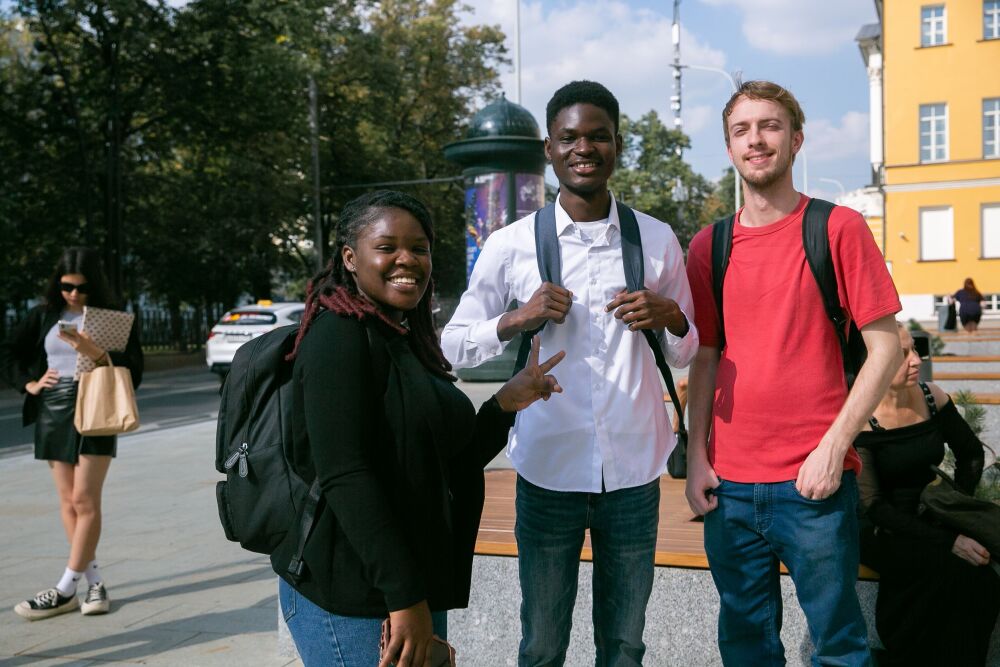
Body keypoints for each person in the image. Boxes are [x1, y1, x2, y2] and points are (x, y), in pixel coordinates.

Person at [442, 80, 698, 666]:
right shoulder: (510, 246)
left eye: (598, 136)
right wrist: (516, 318)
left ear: (617, 145)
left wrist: (672, 316)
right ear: (549, 149)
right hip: (547, 472)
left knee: (626, 644)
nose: (585, 147)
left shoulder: (655, 239)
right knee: (541, 645)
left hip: (633, 477)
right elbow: (453, 347)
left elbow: (688, 354)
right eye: (570, 137)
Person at [276, 190, 565, 667]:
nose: (406, 260)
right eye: (387, 247)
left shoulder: (402, 337)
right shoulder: (337, 339)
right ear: (350, 258)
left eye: (420, 248)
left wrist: (506, 403)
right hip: (356, 593)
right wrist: (404, 597)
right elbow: (346, 475)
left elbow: (447, 459)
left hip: (407, 584)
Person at [684, 80, 903, 666]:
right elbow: (706, 355)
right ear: (730, 148)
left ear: (796, 139)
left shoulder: (837, 228)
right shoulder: (710, 245)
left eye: (770, 126)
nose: (756, 140)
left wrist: (835, 448)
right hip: (727, 488)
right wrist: (697, 456)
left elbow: (886, 348)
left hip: (816, 485)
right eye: (741, 130)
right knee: (746, 648)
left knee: (839, 647)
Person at [2, 247, 143, 619]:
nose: (74, 295)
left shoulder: (112, 320)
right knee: (67, 501)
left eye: (81, 288)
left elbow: (136, 370)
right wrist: (29, 384)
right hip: (54, 407)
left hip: (97, 405)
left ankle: (65, 588)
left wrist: (94, 351)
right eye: (67, 286)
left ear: (93, 286)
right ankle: (94, 582)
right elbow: (8, 352)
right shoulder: (44, 315)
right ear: (58, 283)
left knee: (85, 498)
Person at [855, 323, 1000, 667]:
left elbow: (971, 453)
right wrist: (947, 539)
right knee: (951, 571)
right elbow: (874, 507)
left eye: (915, 349)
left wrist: (955, 505)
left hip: (932, 516)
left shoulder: (932, 397)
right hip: (882, 529)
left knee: (984, 577)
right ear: (873, 360)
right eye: (902, 353)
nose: (916, 360)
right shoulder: (860, 417)